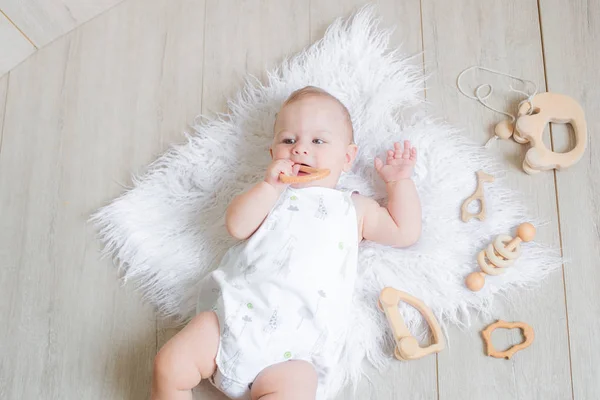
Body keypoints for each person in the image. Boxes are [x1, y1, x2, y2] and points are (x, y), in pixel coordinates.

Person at [151, 86, 421, 400]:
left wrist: (399, 181)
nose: (300, 150)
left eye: (318, 141)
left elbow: (404, 231)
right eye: (288, 140)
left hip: (294, 352)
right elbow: (237, 226)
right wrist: (268, 186)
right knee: (169, 364)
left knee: (297, 385)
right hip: (233, 319)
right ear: (272, 153)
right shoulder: (273, 195)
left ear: (347, 157)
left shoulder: (352, 208)